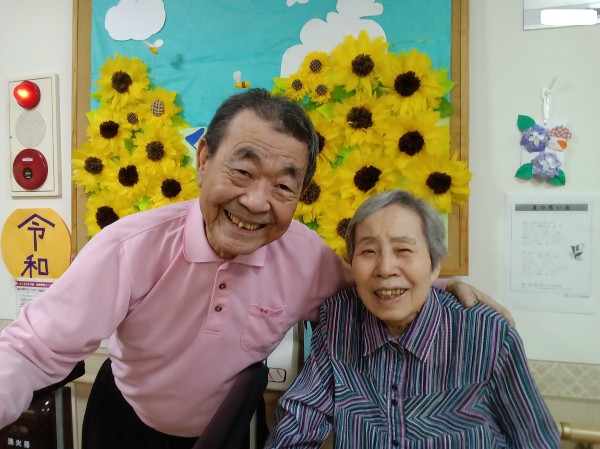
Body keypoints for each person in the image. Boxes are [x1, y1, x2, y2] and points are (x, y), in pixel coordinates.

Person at [0, 89, 507, 449]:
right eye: (242, 172)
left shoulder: (306, 259)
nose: (257, 202)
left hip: (224, 429)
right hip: (126, 421)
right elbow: (31, 348)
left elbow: (373, 288)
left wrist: (439, 287)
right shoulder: (131, 247)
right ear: (203, 159)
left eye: (283, 186)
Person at [265, 189, 559, 449]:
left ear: (435, 266)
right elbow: (299, 421)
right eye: (368, 251)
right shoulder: (339, 321)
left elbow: (535, 440)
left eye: (403, 250)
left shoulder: (488, 334)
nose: (385, 268)